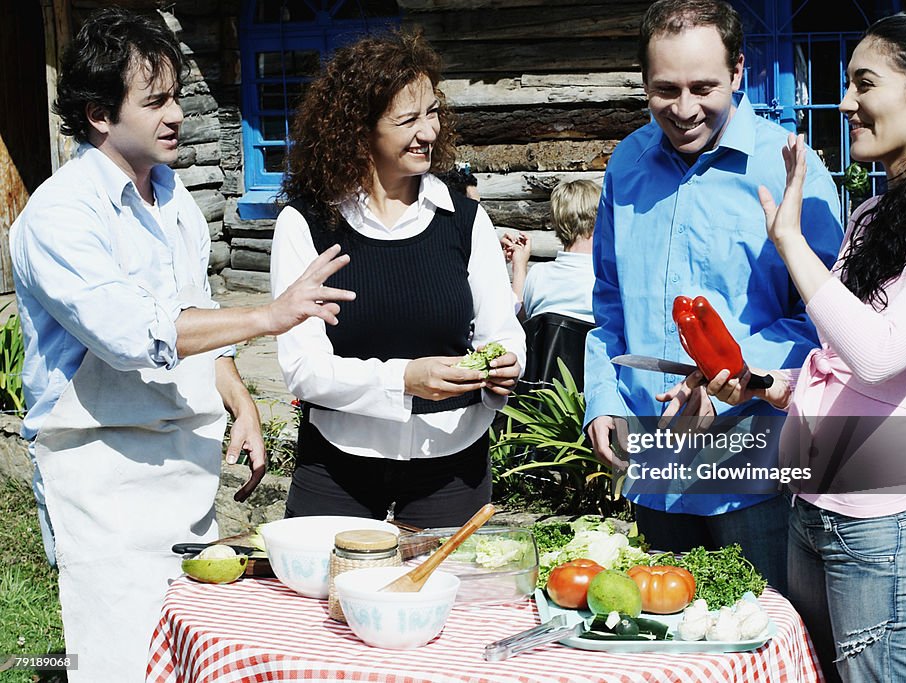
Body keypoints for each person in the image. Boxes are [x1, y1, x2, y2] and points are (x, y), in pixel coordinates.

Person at [9, 8, 355, 682]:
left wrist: (239, 396)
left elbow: (191, 318)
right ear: (98, 116)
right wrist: (271, 314)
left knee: (182, 643)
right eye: (156, 101)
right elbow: (129, 335)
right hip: (97, 472)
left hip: (179, 467)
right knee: (112, 655)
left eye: (176, 96)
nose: (177, 116)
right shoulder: (58, 215)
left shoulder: (172, 199)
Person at [691, 12, 906, 681]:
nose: (845, 102)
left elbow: (881, 352)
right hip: (812, 506)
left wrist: (789, 242)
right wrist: (762, 384)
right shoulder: (871, 215)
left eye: (864, 83)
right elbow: (842, 367)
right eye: (845, 83)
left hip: (883, 527)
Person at [583, 0, 844, 593]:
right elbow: (608, 303)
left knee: (767, 645)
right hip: (654, 466)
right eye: (663, 89)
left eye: (703, 87)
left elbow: (832, 321)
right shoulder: (625, 163)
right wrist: (602, 399)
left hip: (756, 476)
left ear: (739, 73)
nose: (683, 109)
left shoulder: (790, 171)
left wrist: (731, 380)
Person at [270, 30, 525, 530]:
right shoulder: (306, 225)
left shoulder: (466, 220)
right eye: (408, 119)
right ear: (357, 129)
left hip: (454, 455)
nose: (428, 132)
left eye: (432, 112)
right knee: (323, 603)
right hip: (338, 460)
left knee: (449, 601)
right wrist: (404, 380)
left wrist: (507, 364)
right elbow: (303, 368)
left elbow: (503, 329)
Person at [501, 178, 600, 323]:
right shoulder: (606, 280)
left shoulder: (538, 276)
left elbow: (518, 323)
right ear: (598, 221)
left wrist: (519, 268)